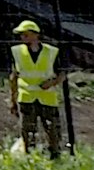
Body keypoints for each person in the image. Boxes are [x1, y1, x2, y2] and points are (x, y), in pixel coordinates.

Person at [9, 19, 67, 157]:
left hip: (48, 98)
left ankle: (55, 157)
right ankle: (29, 157)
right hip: (27, 98)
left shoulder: (52, 52)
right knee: (27, 133)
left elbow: (62, 74)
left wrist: (52, 83)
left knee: (53, 133)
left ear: (35, 35)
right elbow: (13, 76)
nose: (22, 37)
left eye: (25, 34)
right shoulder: (17, 52)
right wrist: (12, 99)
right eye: (21, 35)